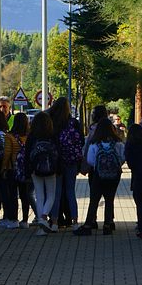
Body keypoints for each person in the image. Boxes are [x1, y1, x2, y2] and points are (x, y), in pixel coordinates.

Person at [79, 117, 125, 235]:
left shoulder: (95, 144)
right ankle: (108, 224)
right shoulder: (118, 143)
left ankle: (88, 225)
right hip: (114, 175)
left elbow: (90, 160)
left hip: (98, 175)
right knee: (109, 199)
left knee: (94, 199)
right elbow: (123, 157)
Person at [47, 97, 83, 231]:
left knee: (56, 193)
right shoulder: (73, 123)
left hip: (57, 162)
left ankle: (55, 222)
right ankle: (74, 222)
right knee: (70, 191)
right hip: (71, 161)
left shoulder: (52, 122)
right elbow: (81, 142)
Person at [23, 111, 59, 235]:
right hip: (51, 169)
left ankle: (40, 224)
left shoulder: (32, 136)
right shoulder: (52, 135)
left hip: (35, 169)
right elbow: (58, 153)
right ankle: (43, 218)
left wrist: (28, 170)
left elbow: (27, 154)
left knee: (39, 195)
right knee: (51, 195)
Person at [77, 104, 108, 234]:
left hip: (96, 168)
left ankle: (91, 222)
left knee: (94, 196)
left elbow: (88, 147)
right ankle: (108, 223)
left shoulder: (94, 129)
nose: (92, 115)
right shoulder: (110, 128)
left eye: (93, 113)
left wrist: (85, 165)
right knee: (109, 197)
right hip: (110, 169)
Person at [2, 112, 34, 229]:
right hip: (25, 169)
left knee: (12, 195)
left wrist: (4, 168)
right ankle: (25, 220)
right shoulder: (29, 136)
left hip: (12, 169)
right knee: (24, 195)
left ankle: (13, 219)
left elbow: (7, 153)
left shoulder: (9, 136)